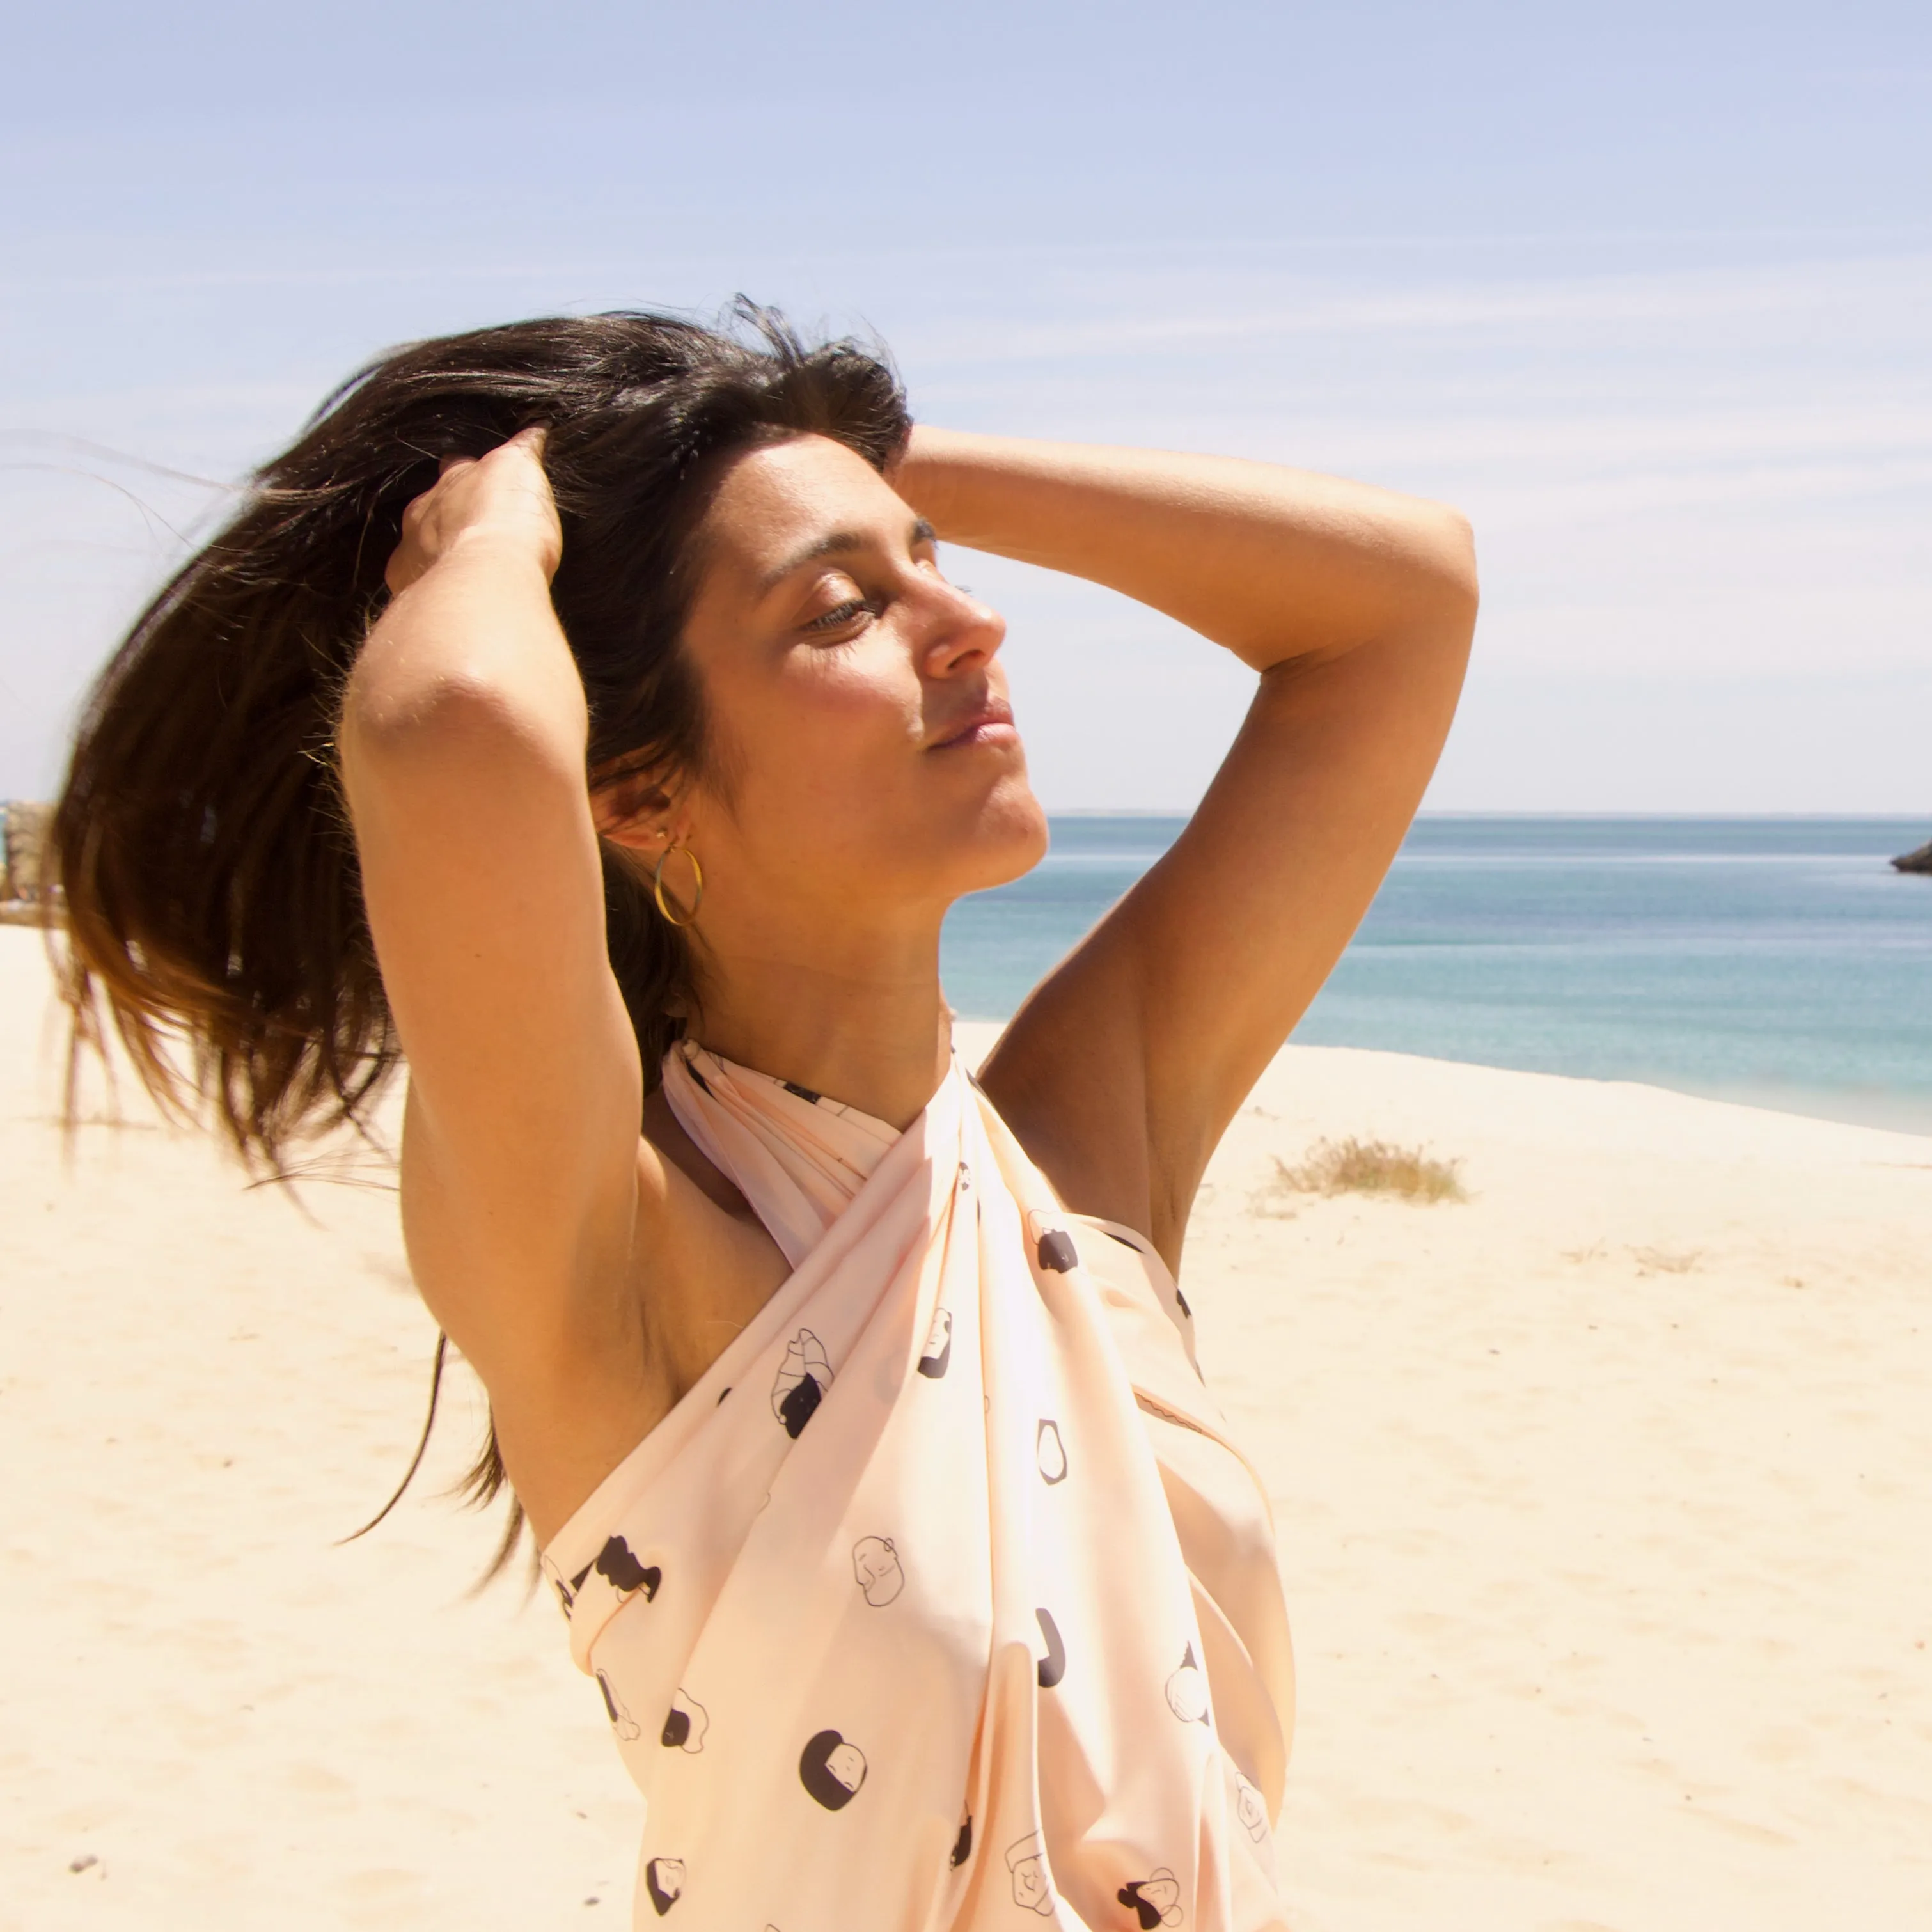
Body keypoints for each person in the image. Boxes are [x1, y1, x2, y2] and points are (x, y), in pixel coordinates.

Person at [51, 307, 1475, 1929]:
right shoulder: (630, 1254)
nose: (969, 622)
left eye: (933, 563)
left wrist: (833, 463)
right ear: (637, 796)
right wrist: (501, 537)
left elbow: (1401, 602)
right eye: (847, 610)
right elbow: (453, 718)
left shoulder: (1071, 1176)